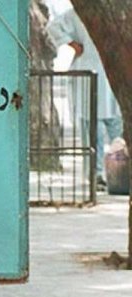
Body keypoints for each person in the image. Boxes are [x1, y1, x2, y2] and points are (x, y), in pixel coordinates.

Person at [48, 8, 124, 188]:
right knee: (93, 133)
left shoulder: (119, 11)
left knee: (119, 133)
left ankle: (121, 174)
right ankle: (96, 175)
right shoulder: (80, 13)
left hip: (113, 77)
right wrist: (72, 44)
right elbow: (53, 26)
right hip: (89, 72)